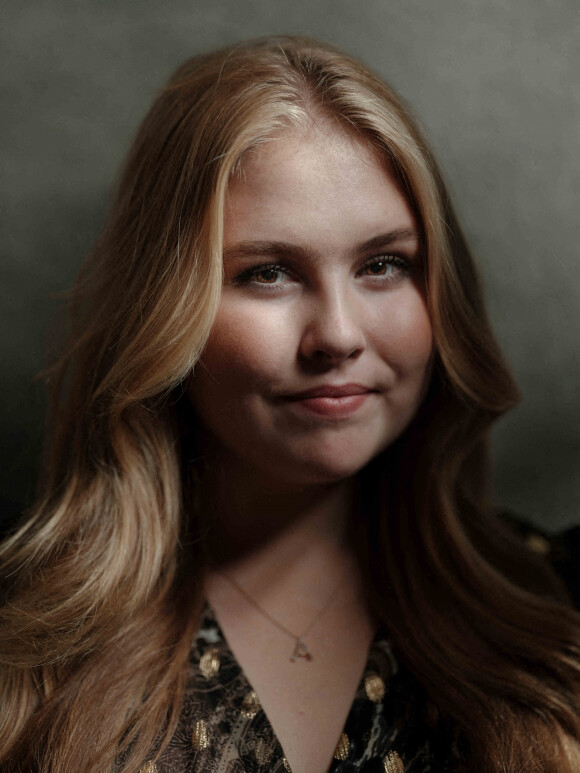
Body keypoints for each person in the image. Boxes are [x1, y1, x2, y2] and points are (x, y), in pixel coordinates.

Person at [1, 35, 579, 773]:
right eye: (268, 272)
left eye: (382, 264)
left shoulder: (558, 610)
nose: (337, 334)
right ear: (165, 308)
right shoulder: (19, 646)